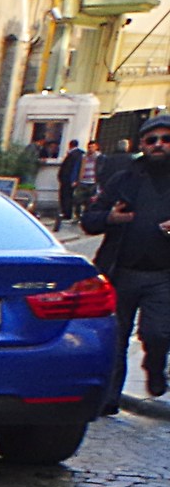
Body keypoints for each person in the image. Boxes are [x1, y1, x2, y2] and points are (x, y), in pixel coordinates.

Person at [81, 112, 170, 403]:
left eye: (166, 139)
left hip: (162, 276)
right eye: (152, 139)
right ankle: (109, 398)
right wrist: (111, 217)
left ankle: (155, 368)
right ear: (141, 143)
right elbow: (90, 220)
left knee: (157, 333)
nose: (159, 145)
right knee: (116, 337)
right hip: (121, 272)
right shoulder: (124, 179)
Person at [57, 138, 89, 230]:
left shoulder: (73, 155)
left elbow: (69, 168)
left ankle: (67, 213)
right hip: (73, 180)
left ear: (70, 145)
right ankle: (71, 213)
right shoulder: (81, 154)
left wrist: (70, 179)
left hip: (68, 180)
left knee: (66, 196)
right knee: (71, 197)